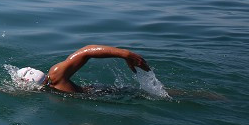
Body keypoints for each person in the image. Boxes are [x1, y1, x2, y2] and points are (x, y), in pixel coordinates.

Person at [15, 44, 150, 94]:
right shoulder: (52, 81)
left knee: (148, 95)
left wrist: (125, 54)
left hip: (103, 93)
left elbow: (86, 51)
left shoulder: (56, 76)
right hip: (97, 90)